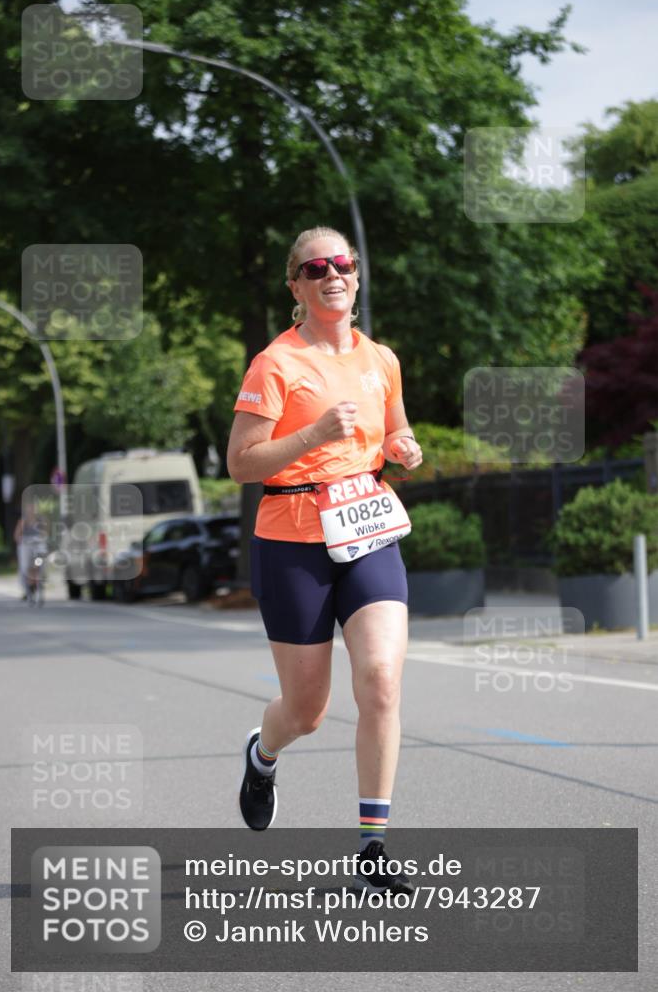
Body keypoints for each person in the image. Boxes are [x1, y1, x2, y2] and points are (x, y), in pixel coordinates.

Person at [227, 226, 423, 894]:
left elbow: (393, 425)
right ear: (296, 286)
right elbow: (240, 462)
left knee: (381, 680)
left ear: (357, 276)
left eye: (342, 264)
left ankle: (372, 846)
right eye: (316, 268)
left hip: (367, 526)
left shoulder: (382, 358)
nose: (331, 274)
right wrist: (311, 433)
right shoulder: (274, 364)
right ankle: (264, 752)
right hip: (291, 537)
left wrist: (402, 445)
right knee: (307, 709)